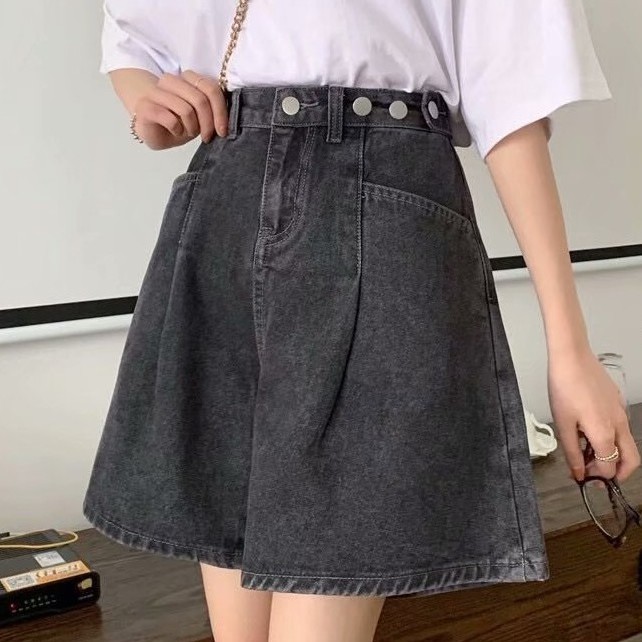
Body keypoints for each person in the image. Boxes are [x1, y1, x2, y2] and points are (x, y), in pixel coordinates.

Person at [83, 1, 640, 641]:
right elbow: (132, 35)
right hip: (227, 192)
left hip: (383, 201)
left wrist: (570, 350)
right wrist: (148, 103)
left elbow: (509, 90)